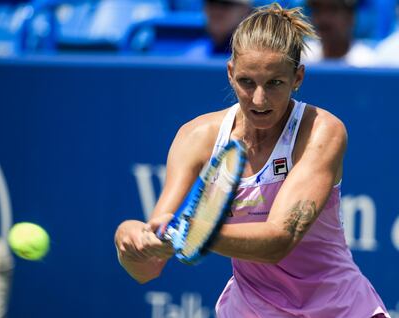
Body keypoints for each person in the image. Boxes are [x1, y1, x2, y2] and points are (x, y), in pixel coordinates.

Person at [115, 3, 390, 317]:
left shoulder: (321, 131)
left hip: (340, 308)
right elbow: (146, 268)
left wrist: (196, 234)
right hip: (251, 310)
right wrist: (129, 239)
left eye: (274, 83)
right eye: (247, 82)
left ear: (297, 76)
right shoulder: (197, 138)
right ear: (230, 72)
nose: (259, 100)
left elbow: (278, 241)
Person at [301, 0, 376, 67]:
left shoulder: (366, 63)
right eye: (317, 10)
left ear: (350, 17)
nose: (323, 18)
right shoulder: (303, 58)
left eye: (333, 9)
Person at [184, 0, 253, 57]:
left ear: (245, 10)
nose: (216, 11)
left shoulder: (255, 55)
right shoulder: (194, 53)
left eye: (225, 4)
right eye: (211, 3)